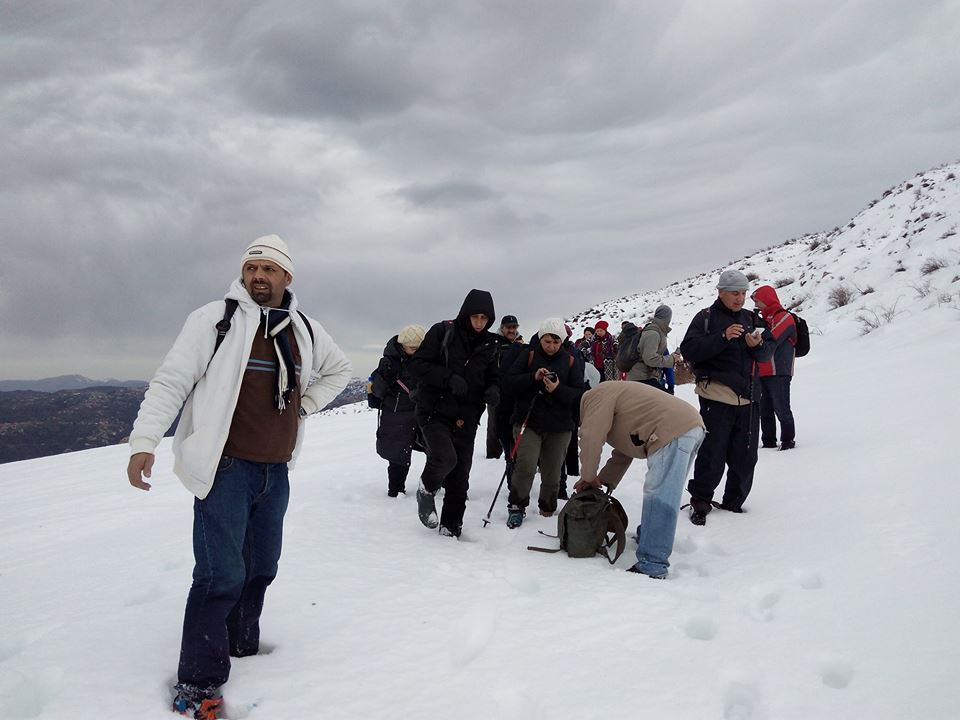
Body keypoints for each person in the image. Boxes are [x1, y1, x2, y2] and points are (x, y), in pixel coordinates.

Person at [126, 235, 351, 718]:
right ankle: (198, 684)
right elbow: (171, 380)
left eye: (269, 269)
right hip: (225, 469)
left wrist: (303, 407)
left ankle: (241, 646)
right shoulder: (215, 320)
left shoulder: (304, 329)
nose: (259, 277)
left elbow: (339, 370)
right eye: (252, 268)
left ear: (287, 278)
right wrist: (144, 442)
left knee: (260, 569)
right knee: (219, 574)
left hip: (276, 472)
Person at [574, 382, 705, 579]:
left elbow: (591, 436)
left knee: (659, 494)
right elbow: (625, 450)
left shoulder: (593, 398)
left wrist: (588, 478)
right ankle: (650, 537)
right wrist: (603, 481)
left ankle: (653, 563)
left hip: (672, 430)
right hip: (689, 426)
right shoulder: (618, 400)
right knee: (666, 491)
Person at [679, 269, 773, 526]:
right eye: (734, 293)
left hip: (749, 397)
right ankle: (700, 501)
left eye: (743, 293)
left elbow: (766, 356)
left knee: (746, 456)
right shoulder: (705, 318)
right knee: (713, 452)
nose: (740, 298)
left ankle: (734, 503)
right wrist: (721, 337)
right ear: (721, 292)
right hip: (716, 396)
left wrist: (758, 347)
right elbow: (689, 350)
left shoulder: (752, 318)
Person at [408, 289, 500, 538]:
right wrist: (448, 378)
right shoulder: (443, 331)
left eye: (484, 318)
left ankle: (450, 528)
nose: (479, 322)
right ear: (466, 313)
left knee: (460, 478)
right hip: (434, 410)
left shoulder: (491, 343)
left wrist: (493, 390)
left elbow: (493, 376)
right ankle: (426, 491)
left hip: (467, 416)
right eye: (475, 316)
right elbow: (418, 366)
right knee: (445, 458)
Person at [503, 318, 585, 527]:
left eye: (556, 342)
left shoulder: (572, 361)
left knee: (553, 471)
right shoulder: (528, 355)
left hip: (560, 426)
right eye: (547, 341)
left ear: (563, 341)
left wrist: (557, 389)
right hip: (529, 421)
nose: (551, 346)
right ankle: (516, 506)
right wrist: (532, 378)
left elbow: (579, 395)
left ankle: (547, 509)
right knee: (526, 466)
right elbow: (509, 382)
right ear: (540, 339)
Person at [370, 324, 427, 496]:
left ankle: (434, 485)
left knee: (436, 450)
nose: (415, 351)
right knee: (398, 456)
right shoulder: (389, 363)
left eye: (419, 348)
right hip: (397, 415)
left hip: (421, 412)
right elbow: (378, 391)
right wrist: (385, 377)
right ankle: (396, 491)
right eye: (412, 348)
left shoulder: (427, 360)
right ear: (402, 345)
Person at [752, 285, 798, 450]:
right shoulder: (763, 319)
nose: (757, 305)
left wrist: (758, 331)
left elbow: (773, 339)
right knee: (765, 410)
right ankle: (768, 442)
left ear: (766, 299)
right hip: (762, 371)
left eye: (758, 301)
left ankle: (787, 440)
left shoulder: (785, 318)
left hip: (779, 371)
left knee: (782, 408)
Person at [486, 315, 522, 459]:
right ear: (502, 328)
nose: (511, 330)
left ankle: (514, 452)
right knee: (494, 423)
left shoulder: (520, 343)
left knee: (514, 422)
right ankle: (493, 456)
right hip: (497, 389)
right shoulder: (494, 343)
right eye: (508, 327)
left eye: (514, 327)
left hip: (514, 390)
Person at [626, 305, 681, 390]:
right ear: (667, 318)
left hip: (645, 377)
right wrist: (671, 359)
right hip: (642, 379)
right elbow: (650, 359)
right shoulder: (653, 333)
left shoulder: (656, 331)